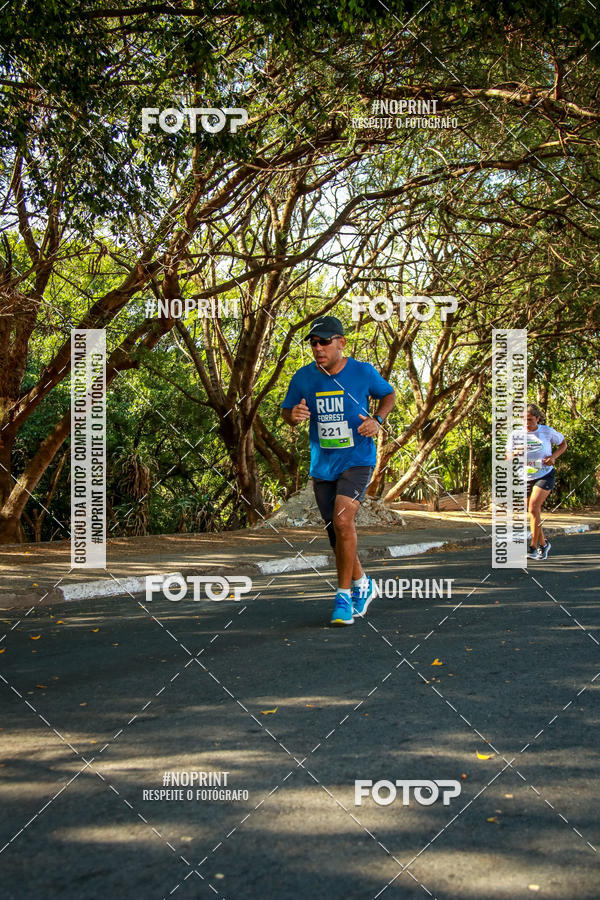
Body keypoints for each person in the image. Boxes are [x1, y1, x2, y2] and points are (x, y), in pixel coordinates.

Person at [281, 315, 395, 625]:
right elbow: (286, 412)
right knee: (336, 532)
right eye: (313, 343)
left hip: (357, 459)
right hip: (323, 465)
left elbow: (389, 394)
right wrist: (294, 415)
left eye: (324, 341)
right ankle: (363, 583)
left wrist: (378, 420)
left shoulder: (362, 372)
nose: (318, 348)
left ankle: (343, 597)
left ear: (341, 343)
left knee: (343, 520)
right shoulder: (303, 377)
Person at [508, 404, 567, 560]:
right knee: (533, 511)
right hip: (525, 476)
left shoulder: (546, 431)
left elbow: (563, 444)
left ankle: (533, 547)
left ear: (538, 418)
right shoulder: (516, 434)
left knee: (534, 506)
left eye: (530, 419)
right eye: (524, 420)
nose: (527, 423)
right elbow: (507, 455)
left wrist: (553, 457)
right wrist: (516, 451)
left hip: (545, 474)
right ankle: (544, 543)